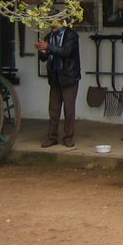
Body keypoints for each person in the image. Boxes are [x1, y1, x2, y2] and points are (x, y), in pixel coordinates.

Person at [36, 16, 81, 148]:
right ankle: (52, 137)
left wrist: (48, 47)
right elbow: (44, 58)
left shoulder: (71, 35)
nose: (52, 26)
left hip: (69, 77)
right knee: (54, 110)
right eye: (51, 24)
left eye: (55, 24)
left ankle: (68, 137)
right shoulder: (49, 37)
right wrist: (43, 51)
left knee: (69, 109)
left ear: (62, 23)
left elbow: (66, 51)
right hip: (55, 77)